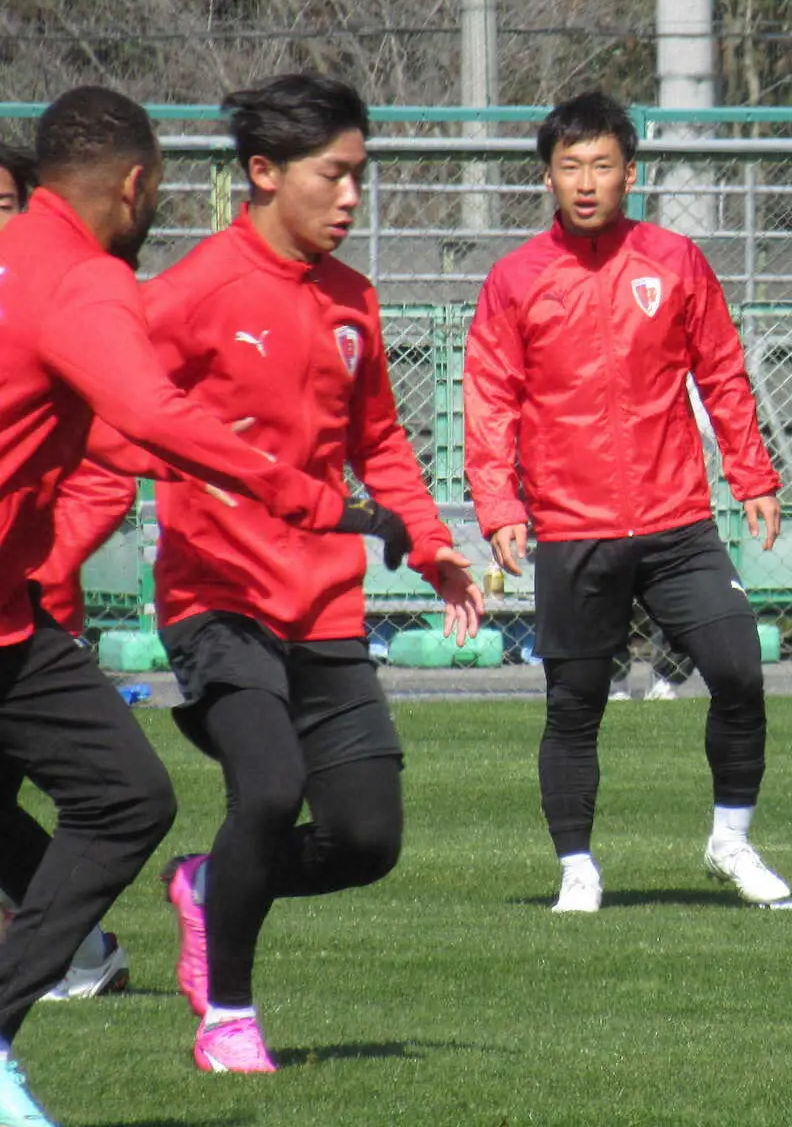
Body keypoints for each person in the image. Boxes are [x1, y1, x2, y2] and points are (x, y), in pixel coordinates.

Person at [0, 86, 410, 1126]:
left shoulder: (18, 260)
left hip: (16, 617)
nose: (348, 195)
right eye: (334, 173)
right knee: (152, 797)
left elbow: (109, 435)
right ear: (135, 186)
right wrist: (308, 496)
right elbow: (149, 414)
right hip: (189, 598)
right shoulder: (92, 281)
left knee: (128, 796)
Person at [119, 73, 482, 1074]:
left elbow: (380, 441)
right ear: (265, 173)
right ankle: (228, 1019)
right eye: (334, 174)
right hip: (216, 598)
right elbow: (114, 409)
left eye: (361, 174)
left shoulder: (353, 300)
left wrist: (429, 543)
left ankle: (207, 885)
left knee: (367, 840)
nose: (352, 196)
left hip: (323, 601)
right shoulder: (192, 293)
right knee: (271, 790)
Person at [464, 90, 791, 914]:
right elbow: (490, 398)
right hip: (574, 530)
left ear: (630, 174)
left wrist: (752, 475)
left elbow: (722, 370)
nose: (586, 182)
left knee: (738, 671)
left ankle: (731, 842)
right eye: (570, 166)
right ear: (546, 177)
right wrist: (499, 505)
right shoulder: (515, 280)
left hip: (678, 522)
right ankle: (577, 867)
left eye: (602, 166)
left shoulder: (676, 262)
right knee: (574, 706)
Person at [0, 142, 136, 1005]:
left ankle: (76, 954)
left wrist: (41, 560)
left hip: (29, 611)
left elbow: (108, 468)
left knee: (117, 795)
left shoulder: (55, 309)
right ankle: (78, 953)